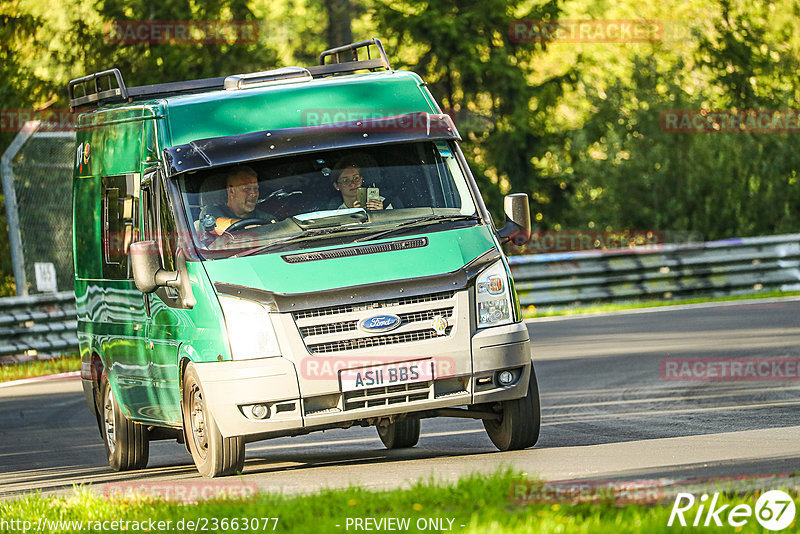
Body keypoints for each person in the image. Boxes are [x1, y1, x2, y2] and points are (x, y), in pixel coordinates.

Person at [198, 166, 276, 234]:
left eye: (256, 188)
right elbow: (218, 226)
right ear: (231, 191)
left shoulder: (266, 218)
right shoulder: (210, 212)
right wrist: (261, 228)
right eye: (247, 189)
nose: (253, 194)